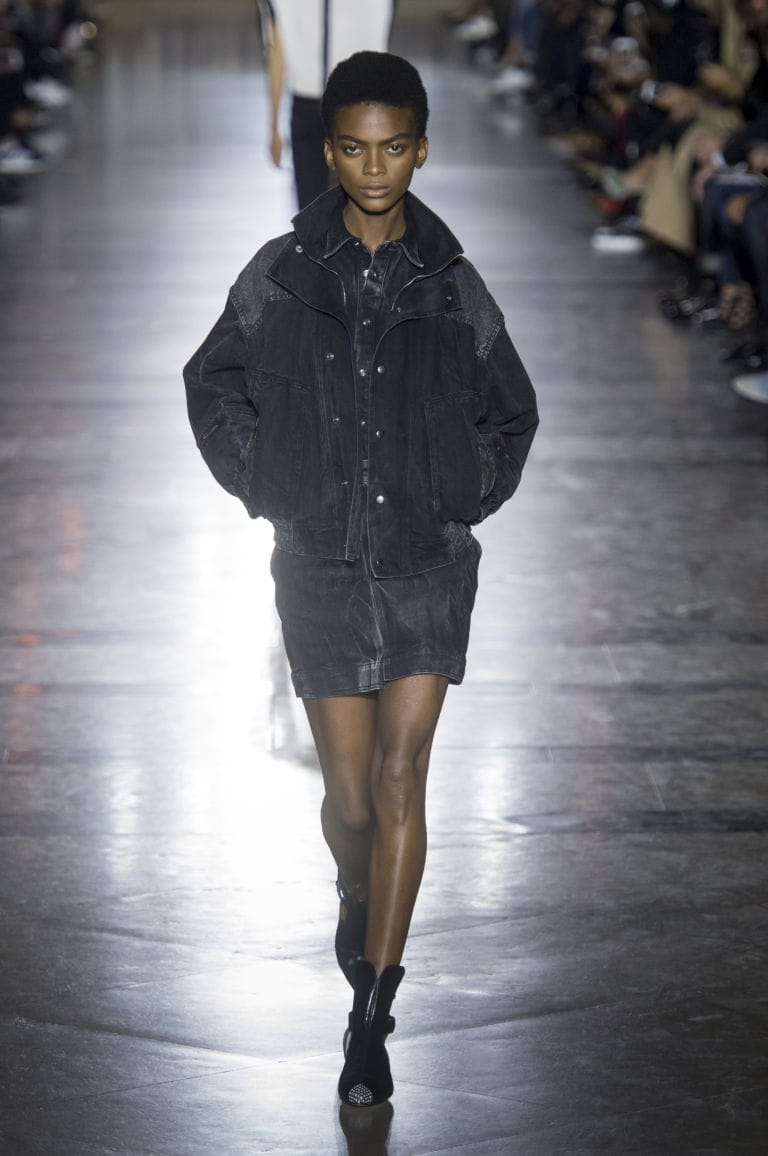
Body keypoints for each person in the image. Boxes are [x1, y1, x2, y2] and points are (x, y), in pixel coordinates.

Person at [183, 50, 538, 1108]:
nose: (374, 166)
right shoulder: (282, 272)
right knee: (348, 801)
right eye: (352, 146)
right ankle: (356, 882)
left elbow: (511, 409)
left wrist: (462, 492)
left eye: (393, 147)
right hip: (322, 564)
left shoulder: (452, 281)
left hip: (428, 560)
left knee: (398, 780)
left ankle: (372, 1015)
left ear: (421, 149)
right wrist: (268, 480)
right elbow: (211, 380)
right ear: (329, 151)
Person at [258, 0, 394, 208]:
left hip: (333, 106)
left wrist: (274, 126)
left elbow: (276, 50)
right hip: (348, 106)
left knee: (322, 210)